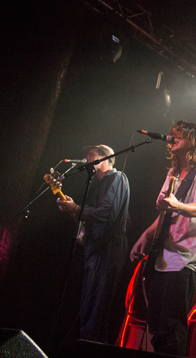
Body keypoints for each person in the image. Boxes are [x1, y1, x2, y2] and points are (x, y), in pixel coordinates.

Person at [130, 120, 196, 356]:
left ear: (195, 140)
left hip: (185, 256)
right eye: (172, 133)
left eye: (180, 133)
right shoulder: (173, 172)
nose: (172, 135)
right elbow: (164, 212)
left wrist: (177, 204)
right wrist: (146, 235)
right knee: (157, 327)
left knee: (172, 327)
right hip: (163, 254)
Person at [57, 144, 130, 343]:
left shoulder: (116, 178)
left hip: (106, 253)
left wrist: (78, 208)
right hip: (95, 251)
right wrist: (73, 211)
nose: (86, 157)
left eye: (91, 154)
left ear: (105, 157)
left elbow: (109, 214)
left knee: (96, 311)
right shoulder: (98, 186)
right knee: (88, 309)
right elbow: (93, 220)